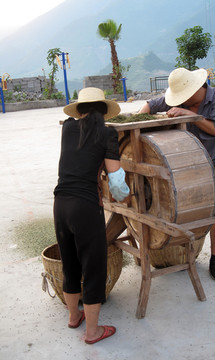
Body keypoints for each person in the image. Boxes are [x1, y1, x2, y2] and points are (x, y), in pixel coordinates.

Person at [139, 67, 215, 281]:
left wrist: (190, 115)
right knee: (184, 208)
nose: (180, 102)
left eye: (184, 99)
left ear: (196, 89)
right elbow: (151, 105)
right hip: (184, 162)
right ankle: (182, 252)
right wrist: (138, 119)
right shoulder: (178, 100)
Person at [53, 87, 130, 344]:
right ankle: (93, 332)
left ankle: (74, 317)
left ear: (81, 110)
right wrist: (126, 198)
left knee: (70, 263)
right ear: (104, 111)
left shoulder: (67, 129)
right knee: (93, 268)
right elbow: (117, 184)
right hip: (86, 207)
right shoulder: (108, 133)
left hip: (60, 204)